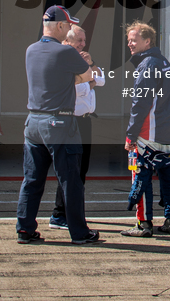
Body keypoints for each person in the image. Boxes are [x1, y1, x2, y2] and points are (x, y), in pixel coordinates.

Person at [16, 5, 100, 245]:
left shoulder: (31, 50)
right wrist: (71, 77)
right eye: (69, 25)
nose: (71, 28)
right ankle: (80, 233)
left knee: (32, 179)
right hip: (60, 121)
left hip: (33, 121)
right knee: (70, 179)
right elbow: (88, 77)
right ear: (61, 26)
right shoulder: (66, 53)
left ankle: (25, 229)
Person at [122, 20, 170, 238]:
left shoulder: (147, 65)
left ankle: (143, 224)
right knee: (168, 175)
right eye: (128, 40)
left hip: (149, 133)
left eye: (134, 40)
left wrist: (130, 135)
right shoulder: (163, 61)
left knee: (141, 175)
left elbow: (140, 104)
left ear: (147, 41)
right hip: (167, 131)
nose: (130, 43)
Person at [49, 25, 105, 230]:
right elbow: (78, 89)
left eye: (84, 40)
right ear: (67, 40)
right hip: (71, 121)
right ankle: (59, 214)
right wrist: (90, 79)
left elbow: (102, 79)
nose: (84, 44)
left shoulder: (84, 59)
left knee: (81, 170)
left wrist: (90, 71)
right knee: (69, 169)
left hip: (85, 120)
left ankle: (74, 213)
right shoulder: (65, 60)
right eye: (79, 40)